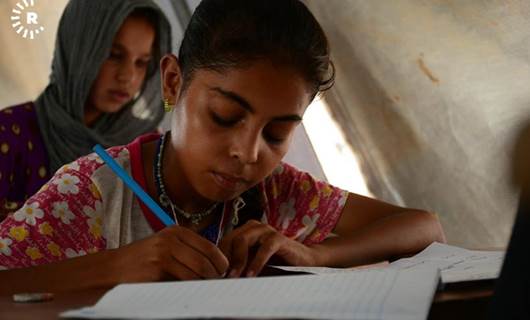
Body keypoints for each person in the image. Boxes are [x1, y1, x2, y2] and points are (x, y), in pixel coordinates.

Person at [0, 0, 445, 294]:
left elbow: (423, 227)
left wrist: (317, 254)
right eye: (225, 117)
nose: (249, 154)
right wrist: (113, 268)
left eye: (277, 134)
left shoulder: (278, 192)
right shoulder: (92, 192)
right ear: (173, 81)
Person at [0, 0, 171, 219]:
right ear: (77, 49)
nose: (128, 76)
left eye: (142, 62)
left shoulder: (146, 148)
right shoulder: (10, 134)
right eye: (114, 55)